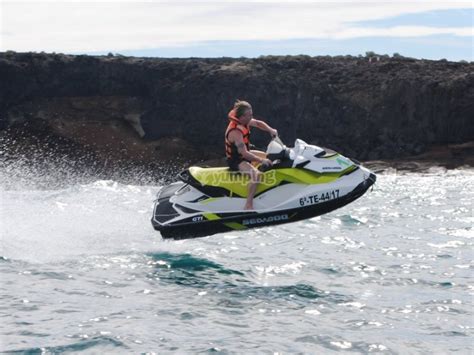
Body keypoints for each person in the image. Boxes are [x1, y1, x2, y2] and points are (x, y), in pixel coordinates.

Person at [225, 100, 278, 210]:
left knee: (269, 157)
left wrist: (270, 130)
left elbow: (258, 123)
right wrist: (260, 160)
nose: (251, 117)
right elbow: (244, 153)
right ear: (242, 116)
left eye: (251, 114)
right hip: (237, 160)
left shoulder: (245, 121)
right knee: (256, 175)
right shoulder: (236, 132)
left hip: (246, 153)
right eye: (249, 115)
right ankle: (248, 205)